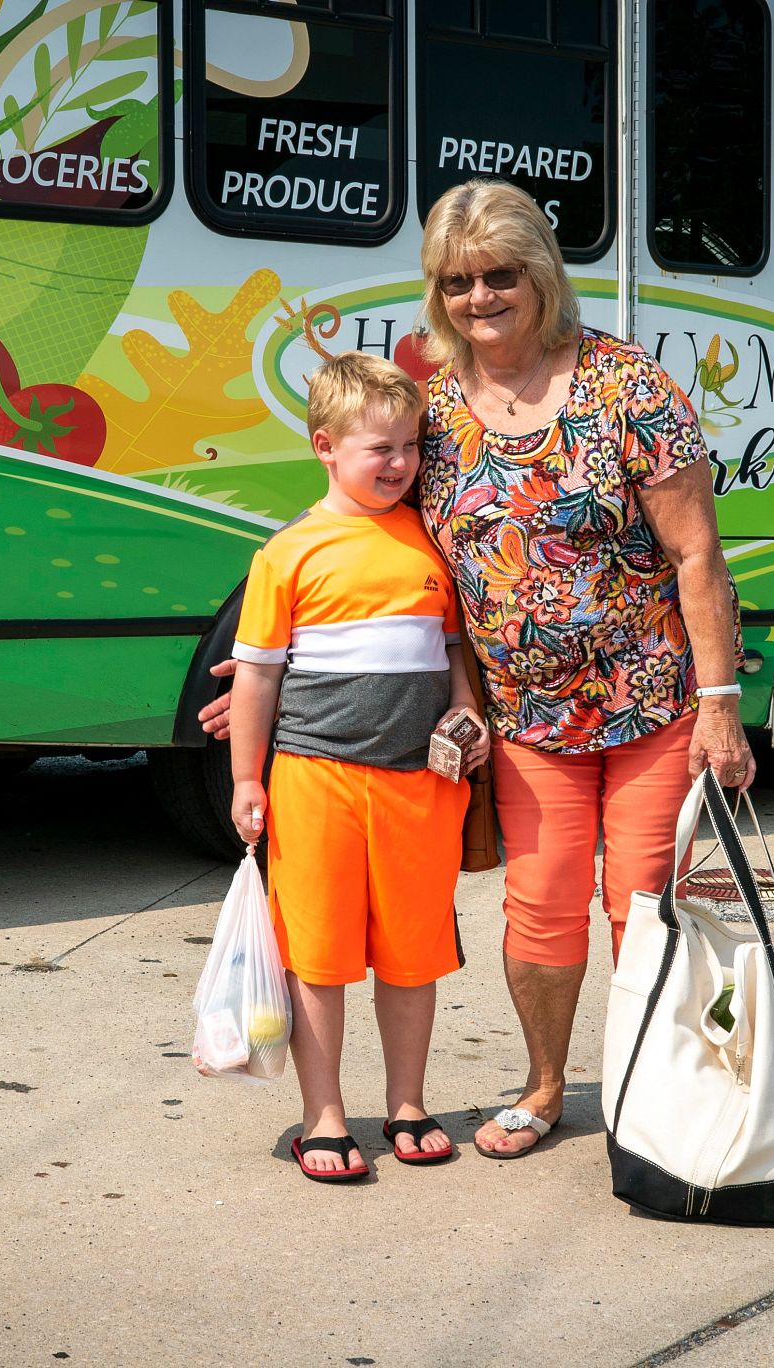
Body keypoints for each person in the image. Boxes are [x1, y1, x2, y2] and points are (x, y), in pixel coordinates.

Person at [205, 180, 751, 1160]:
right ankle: (545, 1088)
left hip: (647, 706)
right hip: (521, 717)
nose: (479, 297)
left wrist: (719, 704)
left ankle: (650, 1097)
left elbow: (697, 557)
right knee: (538, 906)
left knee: (639, 904)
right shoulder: (437, 413)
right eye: (457, 281)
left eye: (499, 274)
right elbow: (378, 544)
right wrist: (267, 683)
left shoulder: (630, 391)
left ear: (539, 273)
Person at [227, 351, 491, 1182]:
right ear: (324, 446)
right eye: (380, 449)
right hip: (314, 782)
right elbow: (259, 677)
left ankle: (407, 1103)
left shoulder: (431, 542)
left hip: (421, 783)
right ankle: (325, 1115)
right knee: (320, 956)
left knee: (413, 955)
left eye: (411, 447)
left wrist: (467, 710)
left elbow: (454, 649)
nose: (400, 464)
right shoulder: (288, 553)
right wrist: (244, 779)